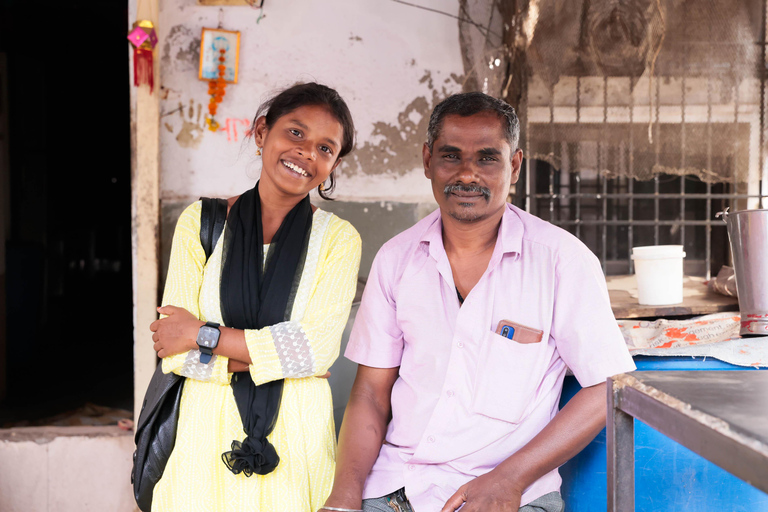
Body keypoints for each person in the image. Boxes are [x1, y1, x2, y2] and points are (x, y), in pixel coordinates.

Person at [321, 92, 635, 512]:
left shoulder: (562, 260)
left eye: (487, 158)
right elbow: (371, 395)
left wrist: (510, 478)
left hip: (512, 493)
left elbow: (606, 387)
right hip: (398, 486)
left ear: (515, 165)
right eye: (451, 156)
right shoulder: (396, 259)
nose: (467, 174)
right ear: (428, 160)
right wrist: (343, 498)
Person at [148, 82, 362, 512]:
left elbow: (317, 351)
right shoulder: (201, 223)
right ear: (262, 132)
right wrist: (281, 360)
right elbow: (172, 350)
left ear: (334, 163)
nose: (306, 153)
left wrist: (201, 335)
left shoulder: (339, 240)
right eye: (296, 133)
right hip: (202, 442)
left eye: (325, 147)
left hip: (297, 443)